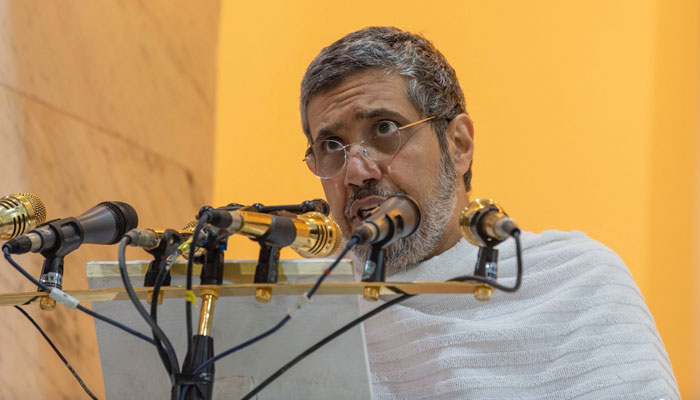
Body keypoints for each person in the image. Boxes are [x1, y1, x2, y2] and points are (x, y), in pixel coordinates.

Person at [299, 26, 679, 399]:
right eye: (331, 146)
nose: (355, 171)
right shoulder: (305, 309)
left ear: (458, 145)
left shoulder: (575, 281)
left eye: (384, 129)